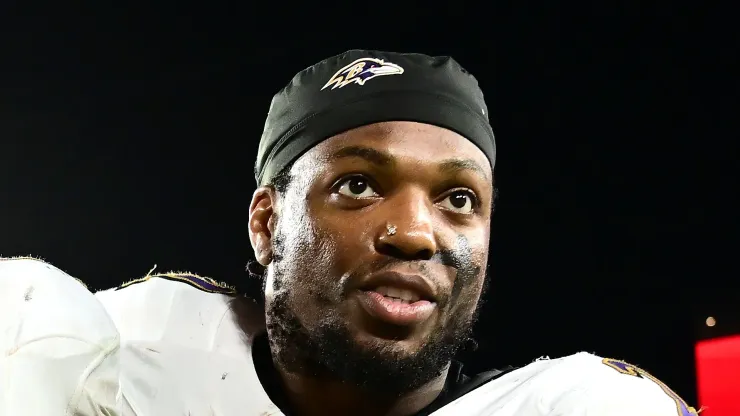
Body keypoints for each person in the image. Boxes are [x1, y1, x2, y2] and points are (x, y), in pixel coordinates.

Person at [0, 50, 698, 415]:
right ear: (268, 223)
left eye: (458, 198)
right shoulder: (128, 351)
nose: (415, 234)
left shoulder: (575, 409)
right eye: (358, 186)